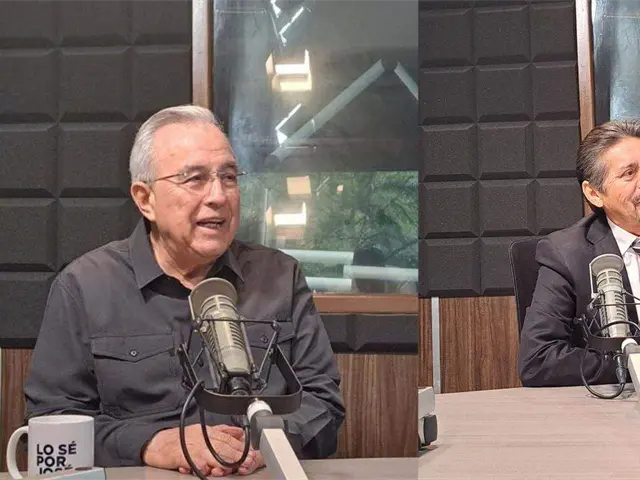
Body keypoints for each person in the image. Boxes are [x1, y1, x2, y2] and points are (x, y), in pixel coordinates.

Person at [24, 105, 345, 476]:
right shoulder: (84, 286)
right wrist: (152, 444)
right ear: (145, 199)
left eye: (229, 177)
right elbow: (49, 421)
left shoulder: (280, 277)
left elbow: (323, 404)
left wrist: (261, 443)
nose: (219, 196)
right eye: (195, 179)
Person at [519, 119, 640, 387]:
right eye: (629, 173)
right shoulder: (566, 254)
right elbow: (539, 360)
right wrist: (631, 366)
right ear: (594, 193)